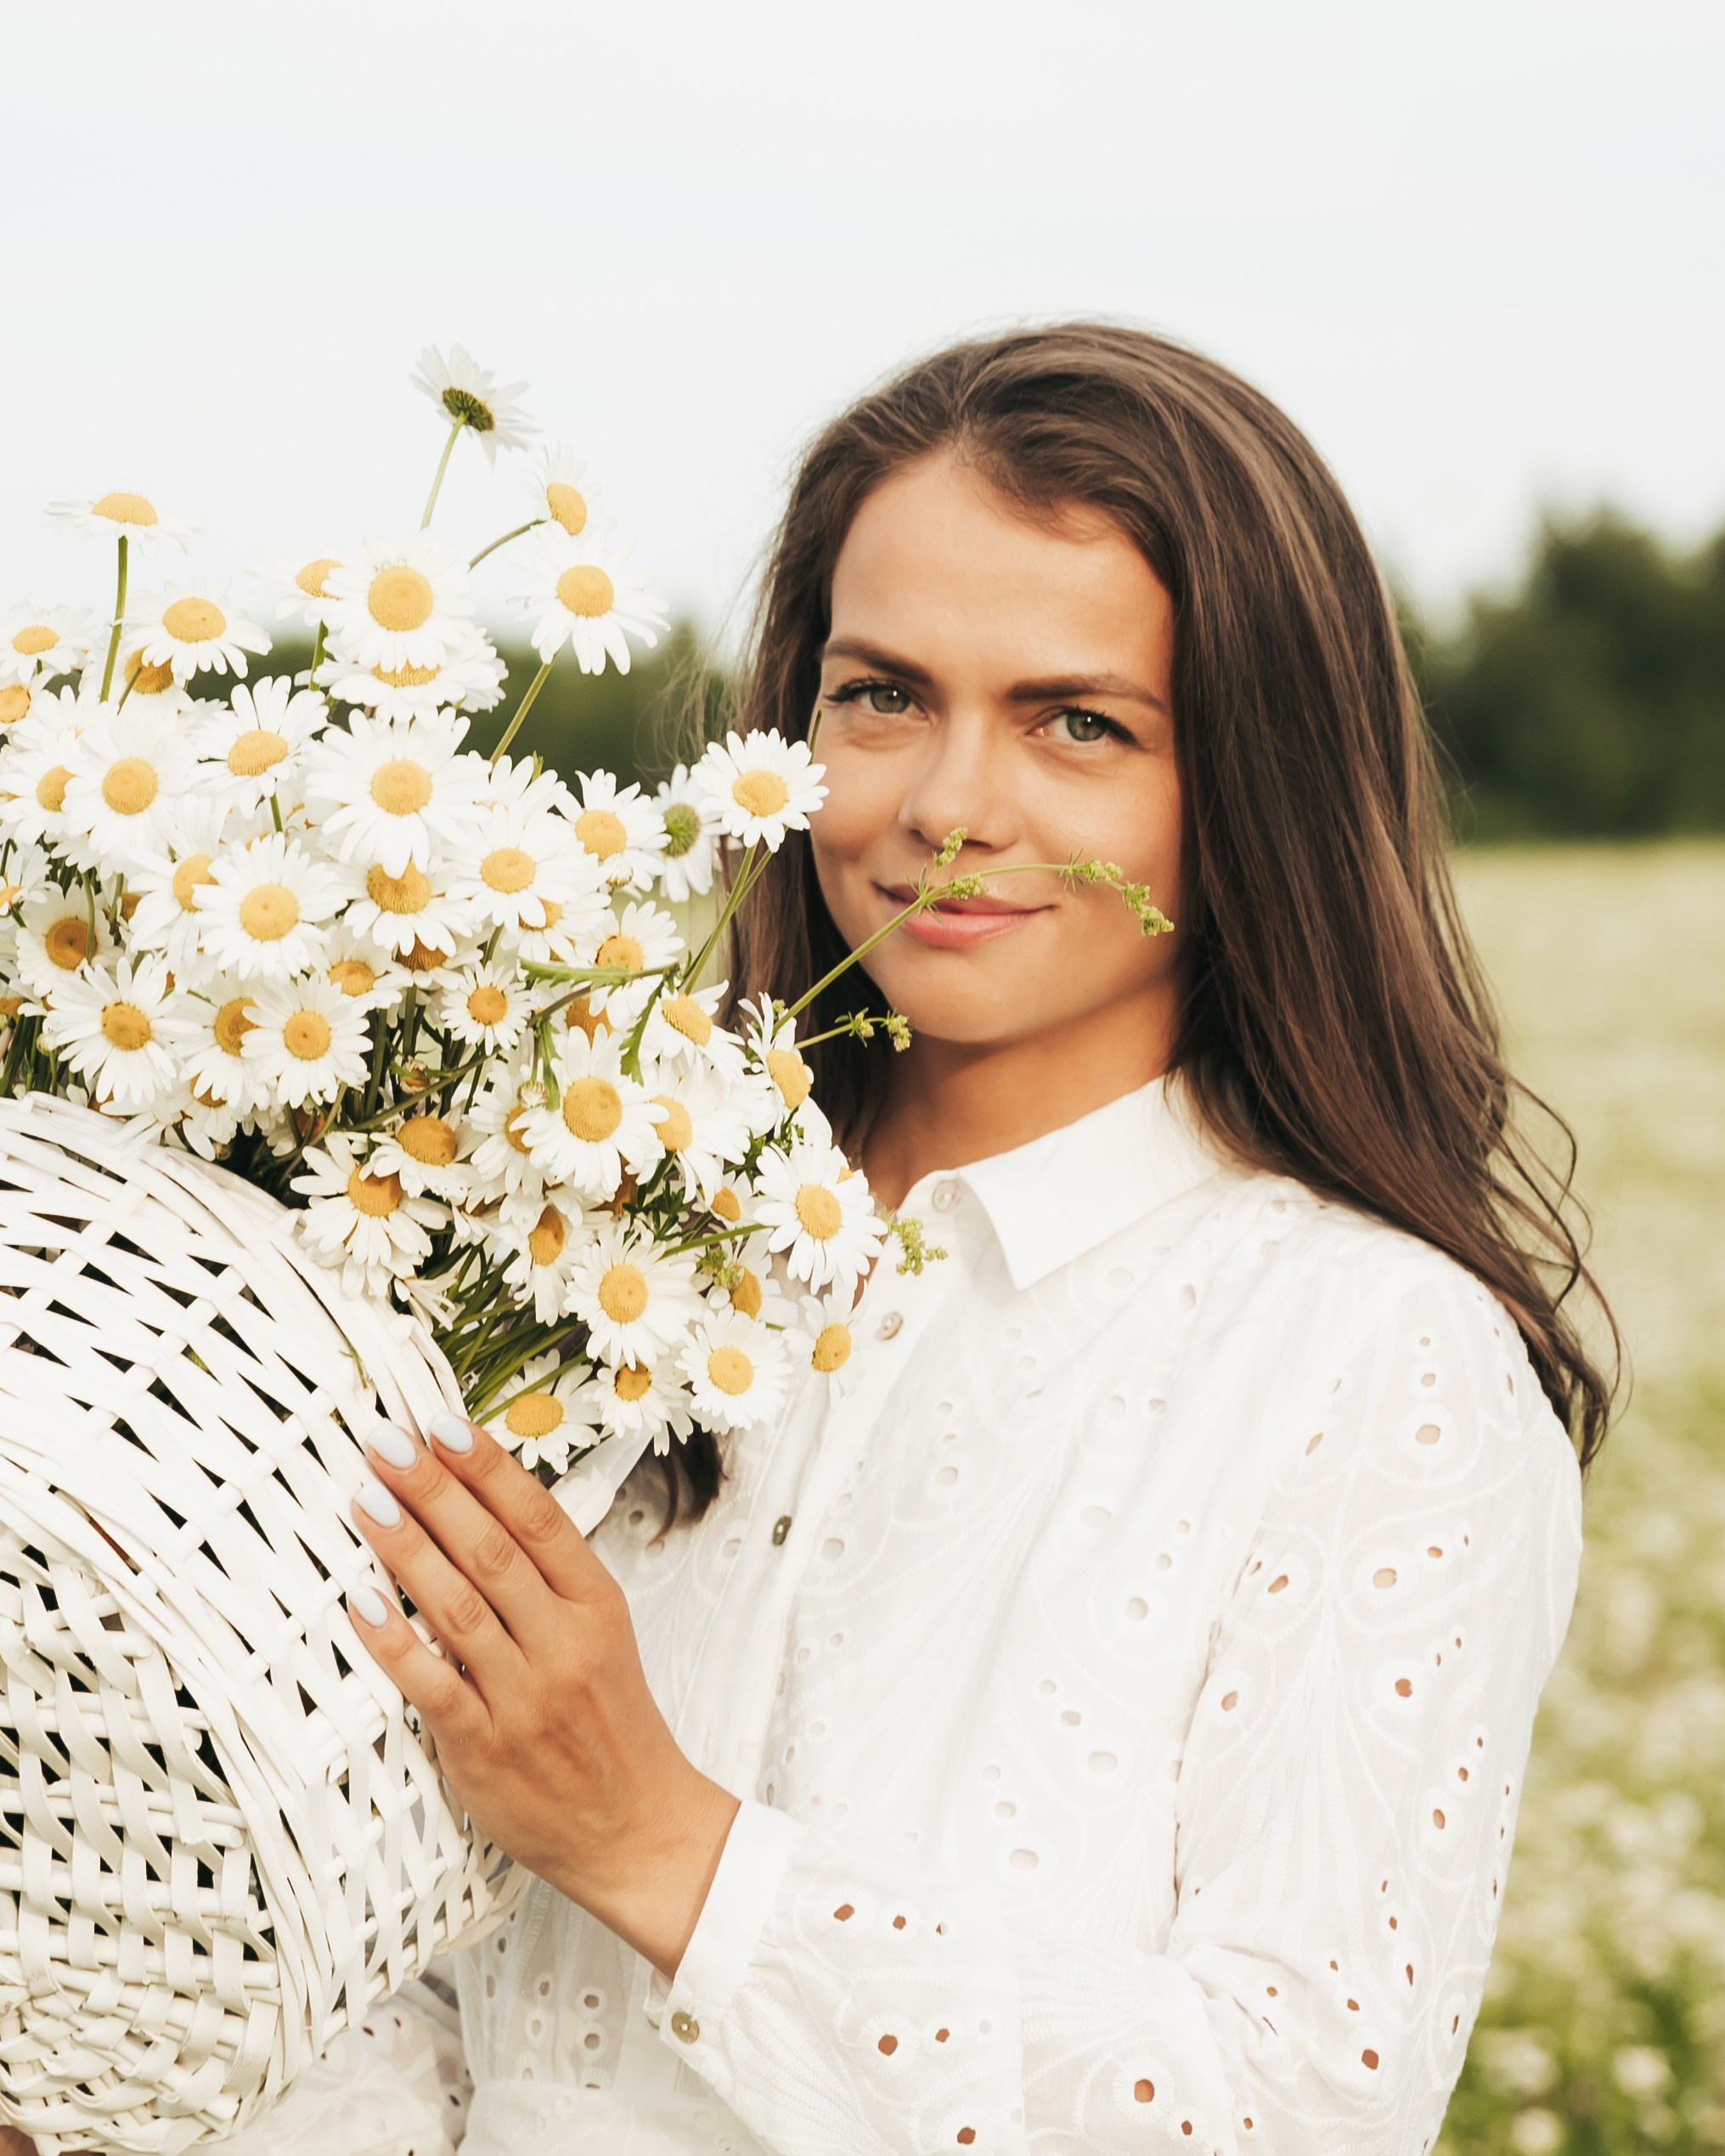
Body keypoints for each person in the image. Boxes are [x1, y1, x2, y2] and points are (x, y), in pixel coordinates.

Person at [123, 324, 1609, 2156]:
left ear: (1248, 787)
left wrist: (663, 1841)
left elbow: (1289, 2106)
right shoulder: (591, 1248)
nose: (943, 808)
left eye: (1078, 722)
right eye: (881, 694)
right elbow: (439, 2007)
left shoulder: (1369, 1361)